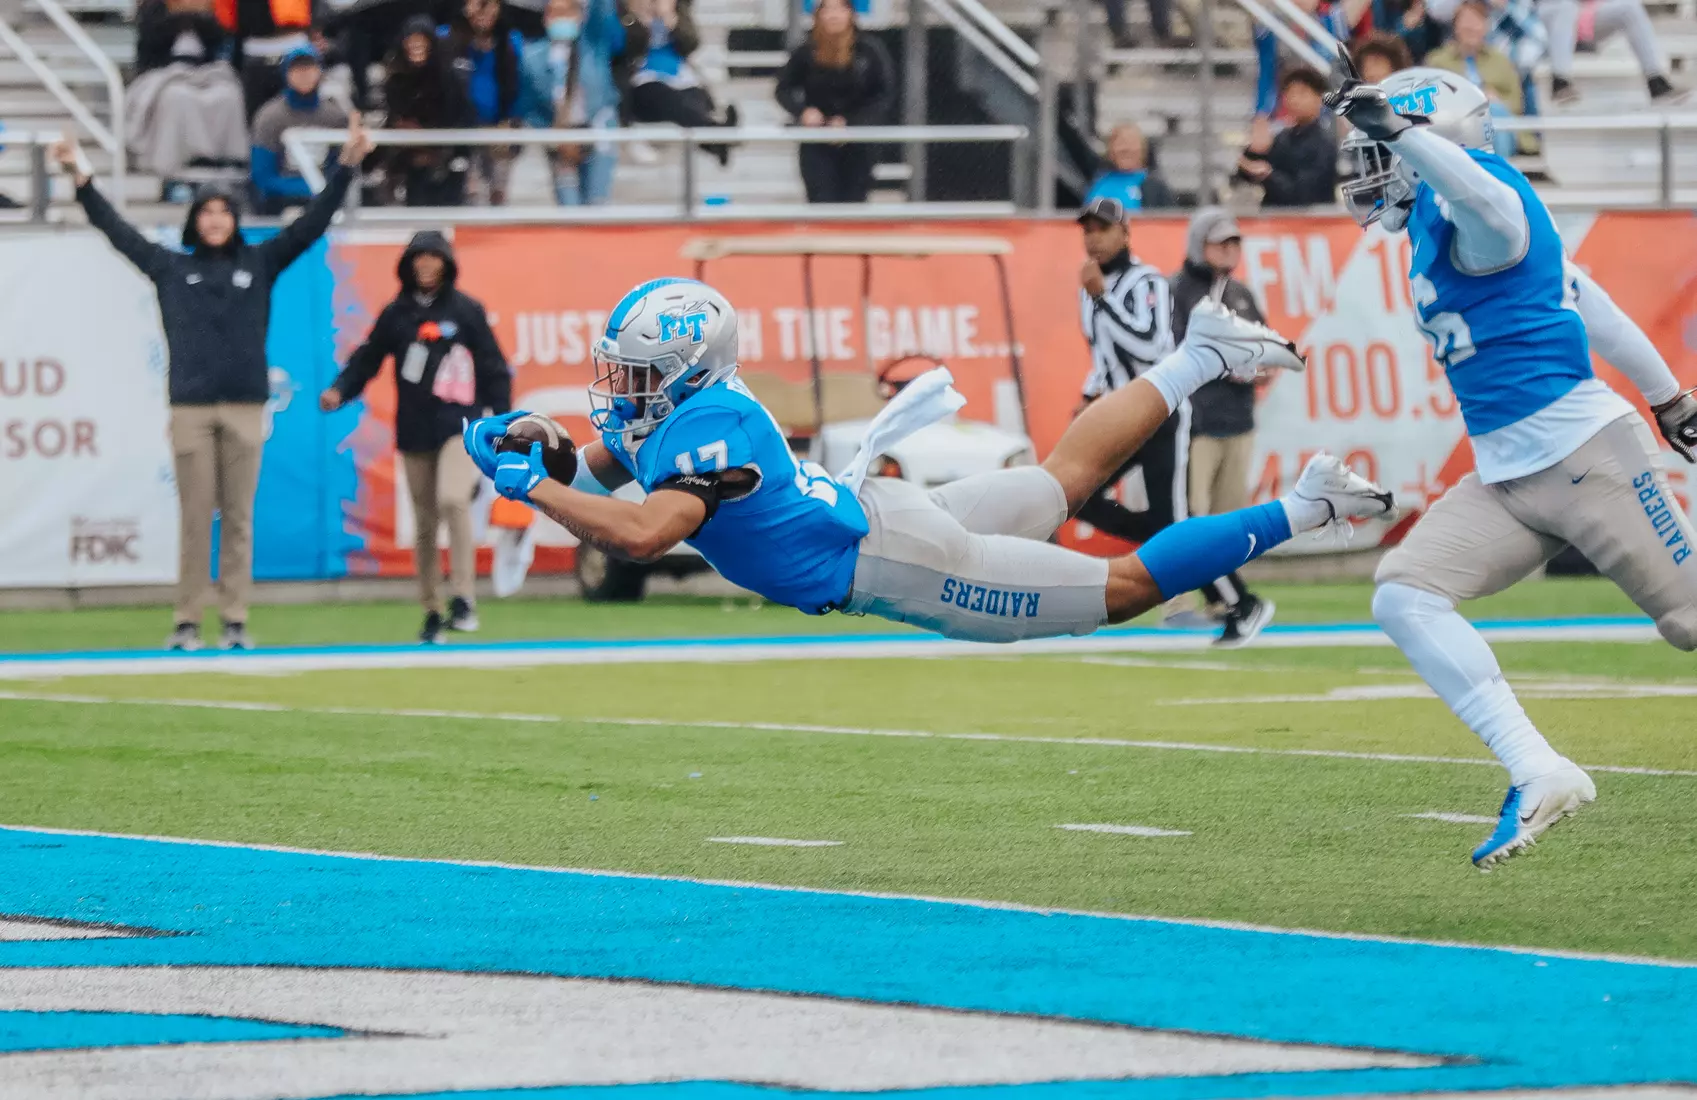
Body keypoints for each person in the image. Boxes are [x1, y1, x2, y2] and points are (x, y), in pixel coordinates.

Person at [463, 281, 1392, 654]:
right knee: (1064, 480)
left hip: (895, 555)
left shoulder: (714, 429)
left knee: (1120, 588)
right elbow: (595, 476)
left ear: (686, 369)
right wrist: (536, 450)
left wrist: (530, 492)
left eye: (633, 374)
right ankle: (1200, 352)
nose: (617, 390)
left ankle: (1306, 508)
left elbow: (639, 535)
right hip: (885, 510)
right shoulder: (664, 416)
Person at [1332, 63, 1697, 868]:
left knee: (1689, 624)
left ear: (1434, 135)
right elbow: (1586, 299)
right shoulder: (1436, 216)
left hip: (1584, 457)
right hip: (1505, 476)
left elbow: (1489, 205)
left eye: (1377, 148)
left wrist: (1403, 132)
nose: (1366, 169)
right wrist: (1670, 398)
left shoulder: (1489, 202)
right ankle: (1538, 768)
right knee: (1404, 595)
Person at [53, 118, 370, 652]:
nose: (216, 220)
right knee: (196, 518)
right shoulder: (169, 267)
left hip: (246, 407)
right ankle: (186, 620)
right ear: (194, 220)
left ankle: (236, 619)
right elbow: (117, 230)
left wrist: (347, 166)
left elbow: (311, 224)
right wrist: (80, 175)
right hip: (191, 410)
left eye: (224, 211)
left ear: (235, 219)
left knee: (241, 518)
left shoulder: (261, 262)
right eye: (207, 211)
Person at [1073, 197, 1272, 645]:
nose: (1093, 237)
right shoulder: (1091, 287)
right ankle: (1160, 532)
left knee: (1179, 527)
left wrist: (1102, 299)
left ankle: (1242, 602)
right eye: (1087, 229)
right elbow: (1105, 355)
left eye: (1102, 229)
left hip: (1158, 414)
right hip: (1120, 415)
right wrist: (1088, 395)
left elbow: (1148, 345)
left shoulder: (1147, 282)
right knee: (1080, 494)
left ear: (1125, 233)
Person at [322, 233, 512, 644]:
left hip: (460, 427)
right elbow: (368, 357)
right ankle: (431, 607)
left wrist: (504, 423)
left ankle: (463, 596)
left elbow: (494, 367)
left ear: (446, 264)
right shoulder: (398, 313)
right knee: (424, 523)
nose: (426, 267)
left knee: (452, 499)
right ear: (408, 265)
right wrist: (341, 390)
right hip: (414, 430)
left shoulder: (465, 311)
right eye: (418, 259)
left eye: (434, 259)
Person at [1170, 207, 1273, 644]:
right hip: (1193, 423)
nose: (1229, 250)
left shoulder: (1242, 293)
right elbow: (1175, 353)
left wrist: (1259, 365)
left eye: (1235, 243)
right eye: (1220, 242)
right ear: (1199, 243)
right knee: (1188, 517)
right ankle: (1177, 601)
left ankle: (1223, 601)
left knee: (1228, 522)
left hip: (1237, 421)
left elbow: (1267, 349)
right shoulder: (1178, 292)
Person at [773, 0, 894, 205]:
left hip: (858, 140)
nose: (833, 15)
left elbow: (882, 94)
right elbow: (783, 89)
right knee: (821, 199)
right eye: (827, 10)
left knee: (854, 201)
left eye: (839, 9)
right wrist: (803, 112)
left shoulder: (869, 50)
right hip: (817, 139)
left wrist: (850, 122)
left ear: (851, 14)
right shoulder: (806, 51)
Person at [127, 0, 248, 190]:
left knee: (228, 95)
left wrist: (199, 18)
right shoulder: (153, 9)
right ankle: (176, 161)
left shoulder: (209, 9)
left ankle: (225, 157)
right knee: (177, 97)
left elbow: (219, 37)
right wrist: (181, 17)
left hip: (203, 71)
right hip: (163, 71)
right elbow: (151, 41)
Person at [520, 0, 626, 206]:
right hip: (559, 136)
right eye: (556, 13)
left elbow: (602, 10)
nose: (562, 18)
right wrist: (554, 136)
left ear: (580, 15)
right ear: (546, 17)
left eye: (568, 12)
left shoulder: (594, 44)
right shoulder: (531, 57)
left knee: (597, 203)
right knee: (568, 208)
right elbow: (530, 107)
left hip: (598, 127)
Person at [626, 0, 737, 165]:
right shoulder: (630, 14)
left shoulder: (678, 13)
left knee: (694, 98)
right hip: (646, 78)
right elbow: (627, 49)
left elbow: (692, 44)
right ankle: (717, 137)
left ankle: (715, 139)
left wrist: (674, 23)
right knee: (669, 98)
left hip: (679, 75)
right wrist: (641, 23)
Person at [440, 0, 527, 204]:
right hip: (461, 130)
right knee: (470, 195)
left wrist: (512, 121)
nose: (483, 10)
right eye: (478, 3)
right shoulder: (448, 37)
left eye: (489, 4)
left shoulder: (510, 41)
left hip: (499, 128)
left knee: (498, 195)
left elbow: (520, 84)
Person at [382, 15, 475, 206]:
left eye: (421, 39)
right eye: (411, 40)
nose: (416, 45)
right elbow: (395, 116)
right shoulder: (396, 79)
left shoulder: (449, 77)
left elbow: (460, 116)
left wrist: (432, 141)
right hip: (411, 157)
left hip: (448, 154)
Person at [249, 44, 350, 214]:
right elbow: (262, 176)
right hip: (280, 200)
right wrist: (309, 188)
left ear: (319, 72)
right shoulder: (269, 116)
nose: (304, 74)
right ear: (286, 74)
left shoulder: (335, 116)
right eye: (297, 69)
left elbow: (340, 165)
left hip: (325, 200)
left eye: (309, 68)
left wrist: (328, 190)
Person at [1426, 1, 1530, 157]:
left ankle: (1495, 167)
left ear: (1486, 27)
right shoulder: (1438, 61)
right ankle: (1496, 171)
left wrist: (1496, 99)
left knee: (1494, 111)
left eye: (1476, 21)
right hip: (1457, 125)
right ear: (1455, 27)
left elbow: (1516, 104)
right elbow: (1431, 102)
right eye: (1466, 22)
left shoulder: (1501, 60)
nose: (1471, 27)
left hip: (1499, 123)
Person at [1536, 0, 1686, 105]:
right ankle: (1560, 82)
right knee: (1564, 6)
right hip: (1541, 16)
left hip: (1582, 13)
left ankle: (1656, 82)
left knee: (1629, 7)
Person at [1236, 67, 1338, 208]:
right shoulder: (1281, 138)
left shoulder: (1325, 144)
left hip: (1314, 223)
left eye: (1302, 93)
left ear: (1319, 98)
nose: (1294, 100)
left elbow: (1304, 194)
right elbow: (1244, 175)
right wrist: (1253, 151)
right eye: (1289, 93)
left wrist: (1269, 175)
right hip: (1276, 220)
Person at [1083, 123, 1175, 213]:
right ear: (1111, 151)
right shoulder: (1097, 184)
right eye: (1120, 143)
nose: (1126, 148)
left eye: (1132, 142)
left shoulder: (1156, 188)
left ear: (1143, 150)